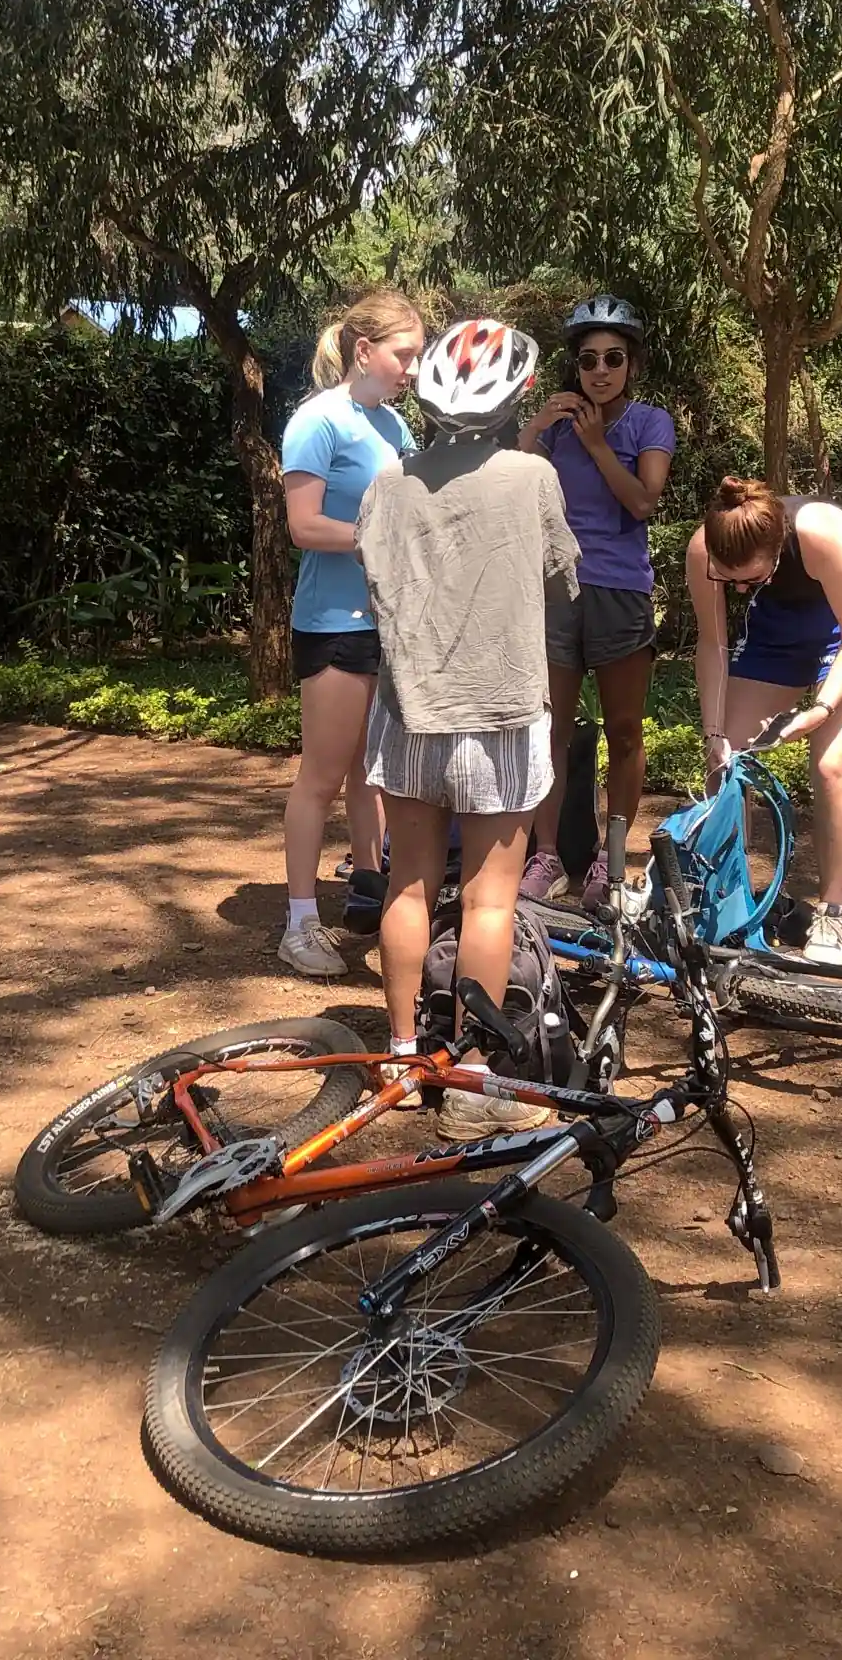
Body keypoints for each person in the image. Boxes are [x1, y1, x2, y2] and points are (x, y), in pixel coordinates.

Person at [355, 317, 580, 1140]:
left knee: (408, 883)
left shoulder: (388, 483)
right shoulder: (532, 476)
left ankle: (401, 1054)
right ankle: (475, 1074)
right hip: (502, 711)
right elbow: (562, 578)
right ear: (519, 395)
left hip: (409, 712)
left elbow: (373, 578)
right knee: (490, 898)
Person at [683, 479, 842, 967]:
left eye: (750, 578)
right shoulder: (704, 548)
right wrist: (713, 733)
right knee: (726, 761)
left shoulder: (819, 534)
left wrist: (821, 708)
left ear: (776, 551)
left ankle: (832, 911)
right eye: (730, 580)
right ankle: (731, 899)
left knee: (831, 764)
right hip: (778, 628)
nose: (740, 589)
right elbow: (712, 643)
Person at [276, 289, 425, 979]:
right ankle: (299, 923)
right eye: (404, 355)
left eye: (418, 357)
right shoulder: (318, 421)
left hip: (388, 622)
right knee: (322, 776)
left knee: (373, 772)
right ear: (364, 351)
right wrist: (379, 538)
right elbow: (303, 526)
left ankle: (370, 893)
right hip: (333, 623)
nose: (412, 369)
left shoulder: (394, 426)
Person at [517, 294, 673, 914]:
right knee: (548, 728)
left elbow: (643, 501)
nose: (600, 370)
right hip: (556, 589)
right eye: (588, 360)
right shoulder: (556, 428)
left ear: (632, 364)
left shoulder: (649, 423)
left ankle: (611, 860)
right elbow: (515, 487)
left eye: (613, 358)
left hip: (620, 591)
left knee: (624, 730)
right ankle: (548, 856)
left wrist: (599, 444)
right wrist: (534, 428)